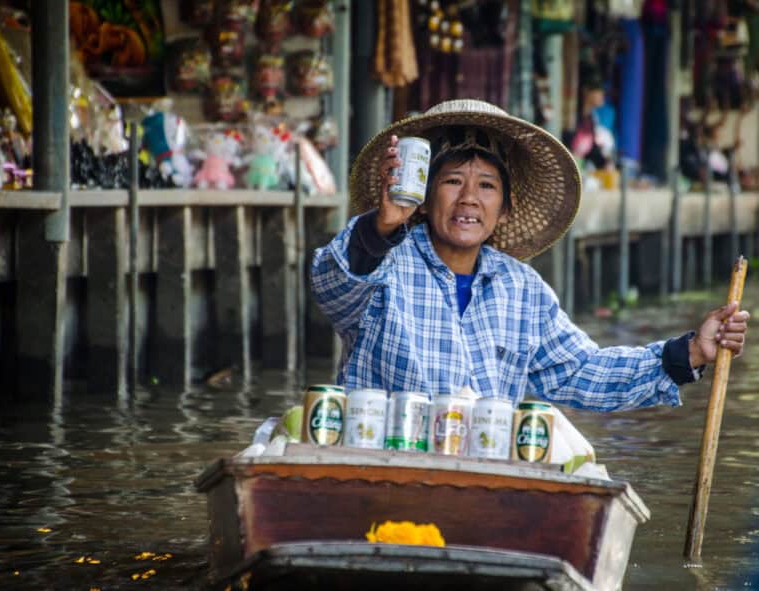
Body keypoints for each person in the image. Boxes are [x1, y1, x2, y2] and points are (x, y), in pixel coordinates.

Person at [310, 99, 750, 410]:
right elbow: (333, 287)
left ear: (504, 209)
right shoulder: (383, 260)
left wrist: (690, 352)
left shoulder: (520, 289)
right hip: (383, 464)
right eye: (451, 182)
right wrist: (382, 226)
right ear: (423, 199)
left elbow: (580, 372)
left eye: (486, 185)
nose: (468, 199)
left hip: (479, 482)